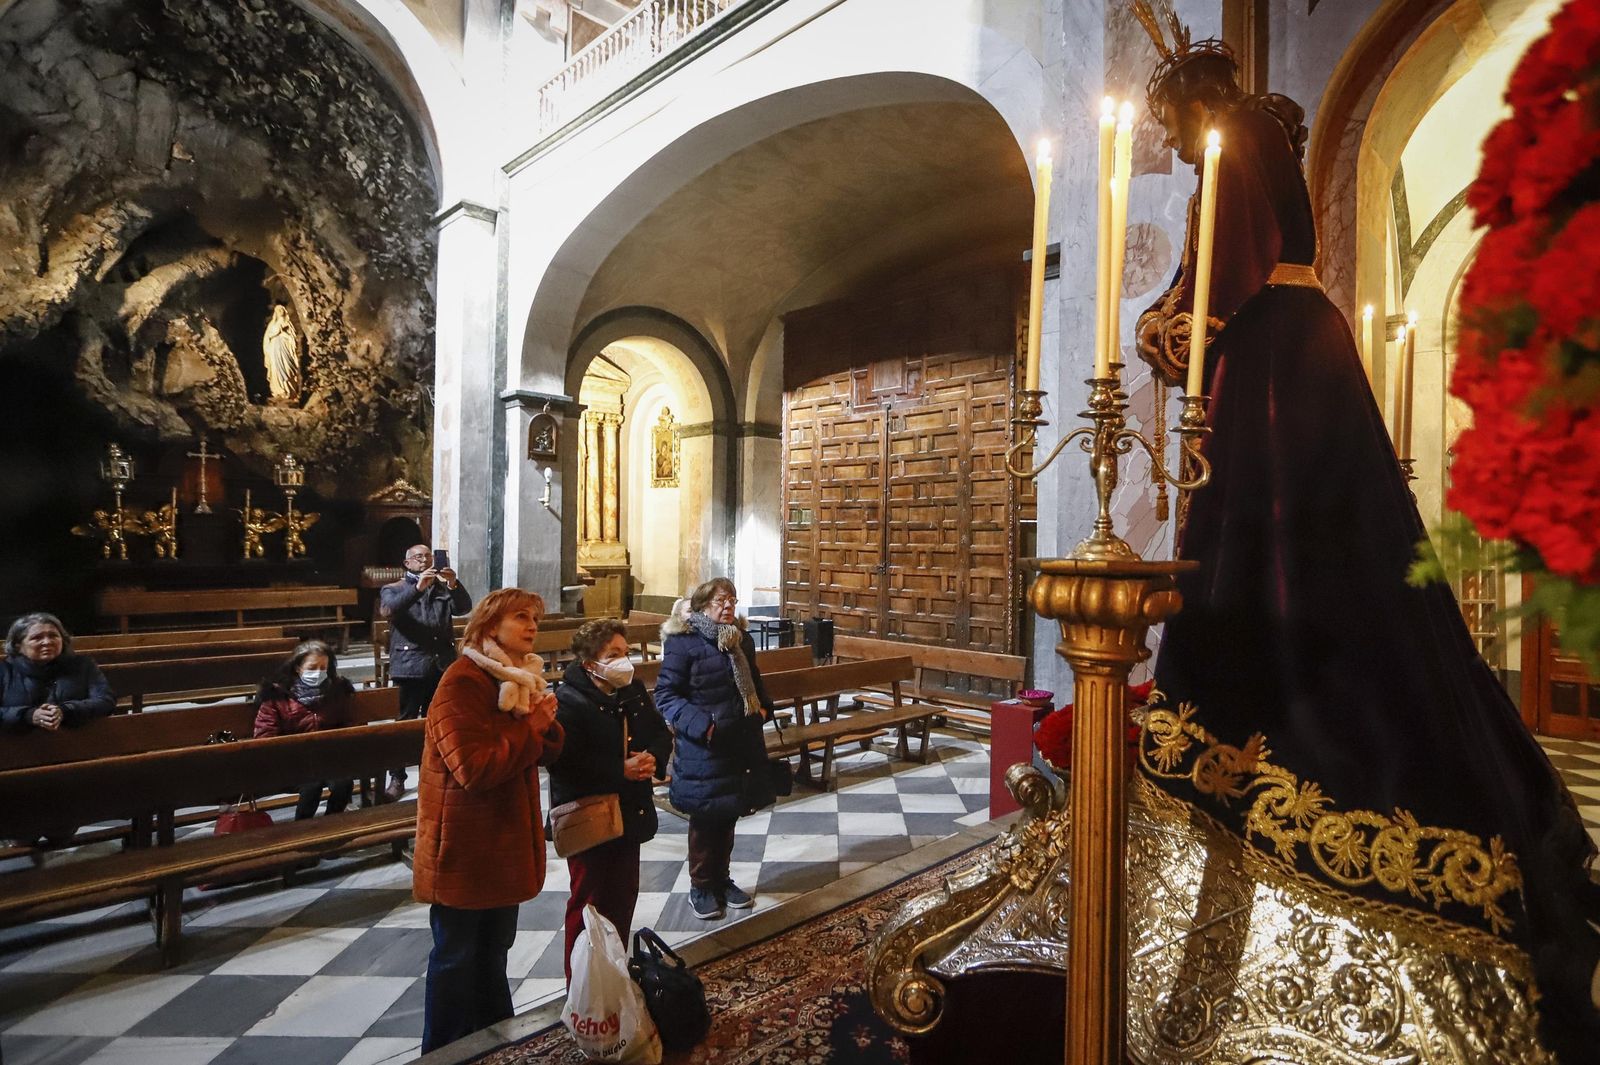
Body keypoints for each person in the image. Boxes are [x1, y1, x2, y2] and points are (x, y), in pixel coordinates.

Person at [1129, 23, 1600, 1061]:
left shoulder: (1237, 140)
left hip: (1271, 370)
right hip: (1300, 357)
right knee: (1331, 550)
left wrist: (1163, 329)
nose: (1167, 145)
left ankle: (1264, 750)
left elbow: (1223, 279)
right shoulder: (1255, 141)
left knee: (1279, 553)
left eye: (1165, 125)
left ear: (1189, 103)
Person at [413, 587, 564, 1054]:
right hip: (464, 846)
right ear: (488, 626)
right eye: (521, 617)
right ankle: (441, 1053)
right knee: (456, 959)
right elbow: (473, 768)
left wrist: (546, 724)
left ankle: (496, 1044)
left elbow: (544, 748)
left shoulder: (518, 679)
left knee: (493, 955)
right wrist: (532, 727)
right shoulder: (463, 681)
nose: (532, 626)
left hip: (501, 842)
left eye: (535, 618)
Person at [549, 618, 672, 980]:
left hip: (629, 812)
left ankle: (613, 976)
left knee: (622, 897)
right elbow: (565, 764)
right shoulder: (568, 701)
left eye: (625, 652)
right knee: (589, 904)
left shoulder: (630, 689)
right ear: (590, 664)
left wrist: (653, 756)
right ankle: (582, 985)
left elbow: (658, 732)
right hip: (589, 818)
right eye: (612, 654)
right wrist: (621, 769)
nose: (624, 661)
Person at [654, 578, 777, 921]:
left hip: (739, 740)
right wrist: (702, 726)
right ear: (702, 605)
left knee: (729, 811)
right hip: (705, 746)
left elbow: (754, 680)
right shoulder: (684, 642)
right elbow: (666, 696)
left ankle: (721, 880)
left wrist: (764, 708)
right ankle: (701, 886)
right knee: (706, 816)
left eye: (732, 601)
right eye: (720, 602)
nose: (727, 608)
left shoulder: (740, 640)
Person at [380, 543, 472, 801]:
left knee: (438, 721)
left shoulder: (441, 587)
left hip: (441, 663)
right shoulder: (394, 588)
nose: (424, 560)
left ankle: (431, 774)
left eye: (428, 556)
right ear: (407, 563)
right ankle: (397, 777)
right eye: (418, 557)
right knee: (407, 723)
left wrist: (454, 584)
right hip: (411, 664)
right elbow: (389, 610)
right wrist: (418, 587)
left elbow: (463, 608)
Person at [252, 640, 356, 819]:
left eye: (323, 668)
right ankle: (302, 826)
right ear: (298, 668)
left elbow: (347, 724)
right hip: (292, 761)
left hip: (328, 758)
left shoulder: (336, 692)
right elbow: (264, 736)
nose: (318, 673)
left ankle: (332, 823)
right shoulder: (277, 696)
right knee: (312, 785)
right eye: (312, 667)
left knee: (343, 783)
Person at [1, 613, 115, 733]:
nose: (47, 642)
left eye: (53, 636)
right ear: (18, 645)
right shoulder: (4, 670)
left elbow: (106, 701)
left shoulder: (83, 665)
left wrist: (65, 710)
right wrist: (29, 715)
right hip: (18, 745)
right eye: (37, 638)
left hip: (77, 743)